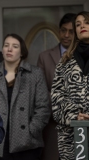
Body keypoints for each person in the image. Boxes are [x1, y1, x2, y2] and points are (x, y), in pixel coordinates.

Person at [0, 33, 50, 160]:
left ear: (22, 52)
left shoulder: (35, 74)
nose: (9, 49)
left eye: (14, 46)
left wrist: (31, 130)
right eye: (6, 45)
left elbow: (43, 107)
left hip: (27, 143)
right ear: (2, 50)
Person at [37, 13, 76, 160]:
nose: (66, 35)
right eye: (63, 30)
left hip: (80, 126)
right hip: (54, 127)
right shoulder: (44, 57)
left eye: (71, 31)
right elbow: (41, 91)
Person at [51, 11, 89, 160]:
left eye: (86, 22)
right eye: (78, 24)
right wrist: (75, 116)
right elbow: (56, 98)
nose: (82, 26)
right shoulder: (64, 62)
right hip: (71, 140)